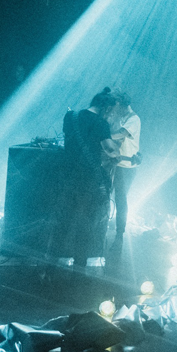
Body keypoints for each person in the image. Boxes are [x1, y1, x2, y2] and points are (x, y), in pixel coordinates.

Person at [61, 87, 121, 267]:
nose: (111, 115)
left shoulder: (70, 117)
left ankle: (55, 259)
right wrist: (117, 152)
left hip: (66, 175)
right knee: (85, 222)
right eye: (111, 112)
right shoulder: (101, 123)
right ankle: (79, 263)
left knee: (64, 218)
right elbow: (109, 149)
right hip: (87, 178)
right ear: (106, 108)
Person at [110, 91, 141, 253]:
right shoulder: (121, 117)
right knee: (107, 196)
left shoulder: (134, 119)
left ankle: (119, 235)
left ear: (123, 105)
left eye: (117, 107)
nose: (115, 110)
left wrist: (101, 135)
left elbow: (121, 134)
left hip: (126, 167)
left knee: (121, 200)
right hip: (114, 164)